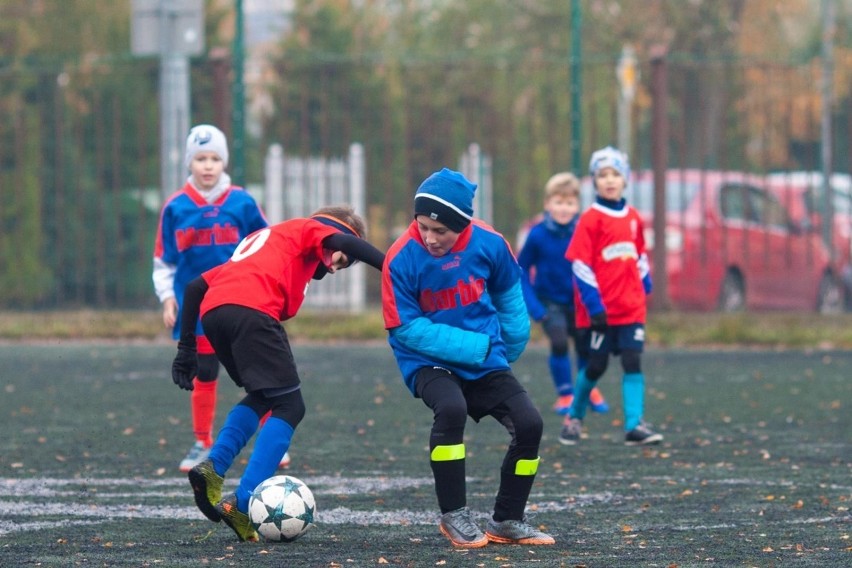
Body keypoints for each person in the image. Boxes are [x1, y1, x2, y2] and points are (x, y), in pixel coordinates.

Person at [172, 205, 385, 542]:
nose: (333, 267)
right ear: (333, 231)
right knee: (290, 406)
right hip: (251, 311)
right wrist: (393, 268)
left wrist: (186, 348)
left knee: (264, 396)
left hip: (217, 314)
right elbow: (344, 239)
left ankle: (213, 468)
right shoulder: (309, 228)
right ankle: (242, 504)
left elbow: (196, 288)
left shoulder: (271, 240)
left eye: (342, 267)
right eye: (339, 257)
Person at [382, 168, 555, 548]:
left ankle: (508, 520)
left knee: (529, 424)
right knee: (451, 407)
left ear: (463, 225)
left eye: (440, 230)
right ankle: (454, 514)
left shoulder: (491, 244)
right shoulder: (401, 257)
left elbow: (511, 300)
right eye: (423, 226)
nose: (429, 237)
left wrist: (504, 352)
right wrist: (475, 348)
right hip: (425, 360)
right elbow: (406, 328)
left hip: (483, 358)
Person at [152, 124, 291, 472]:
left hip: (241, 303)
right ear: (189, 162)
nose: (208, 165)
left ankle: (271, 439)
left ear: (224, 161)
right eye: (200, 158)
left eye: (215, 158)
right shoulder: (176, 207)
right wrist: (168, 298)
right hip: (197, 307)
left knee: (254, 369)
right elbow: (163, 260)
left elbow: (266, 245)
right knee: (205, 371)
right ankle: (203, 442)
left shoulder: (242, 202)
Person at [560, 146, 662, 446]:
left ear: (626, 179)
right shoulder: (591, 219)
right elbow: (580, 265)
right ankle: (574, 417)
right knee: (596, 366)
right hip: (601, 312)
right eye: (602, 175)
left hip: (631, 309)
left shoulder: (633, 217)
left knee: (633, 361)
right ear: (594, 181)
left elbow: (639, 253)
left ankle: (634, 424)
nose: (609, 180)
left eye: (615, 174)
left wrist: (645, 282)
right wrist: (594, 305)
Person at [517, 172, 609, 417]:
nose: (564, 208)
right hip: (549, 302)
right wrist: (535, 308)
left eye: (569, 203)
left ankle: (587, 390)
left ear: (577, 205)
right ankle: (566, 393)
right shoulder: (537, 235)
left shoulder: (584, 232)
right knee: (559, 343)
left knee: (585, 348)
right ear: (548, 204)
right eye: (558, 202)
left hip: (580, 303)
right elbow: (521, 269)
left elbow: (597, 266)